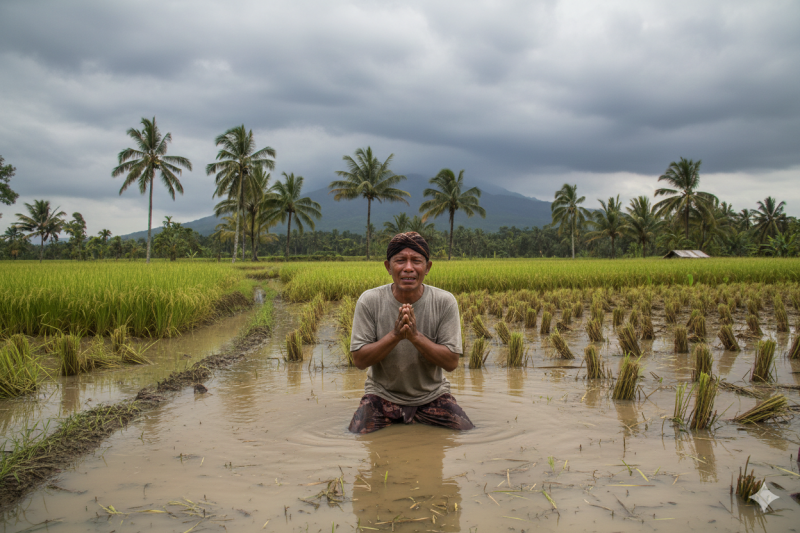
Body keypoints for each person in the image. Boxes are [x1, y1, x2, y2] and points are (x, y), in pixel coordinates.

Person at [348, 232, 474, 434]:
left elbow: (451, 363)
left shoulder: (444, 301)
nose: (408, 268)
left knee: (465, 432)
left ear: (428, 267)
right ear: (388, 267)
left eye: (416, 261)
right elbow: (360, 361)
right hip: (382, 395)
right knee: (356, 434)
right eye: (400, 261)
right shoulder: (369, 301)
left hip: (432, 396)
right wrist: (395, 335)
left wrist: (415, 337)